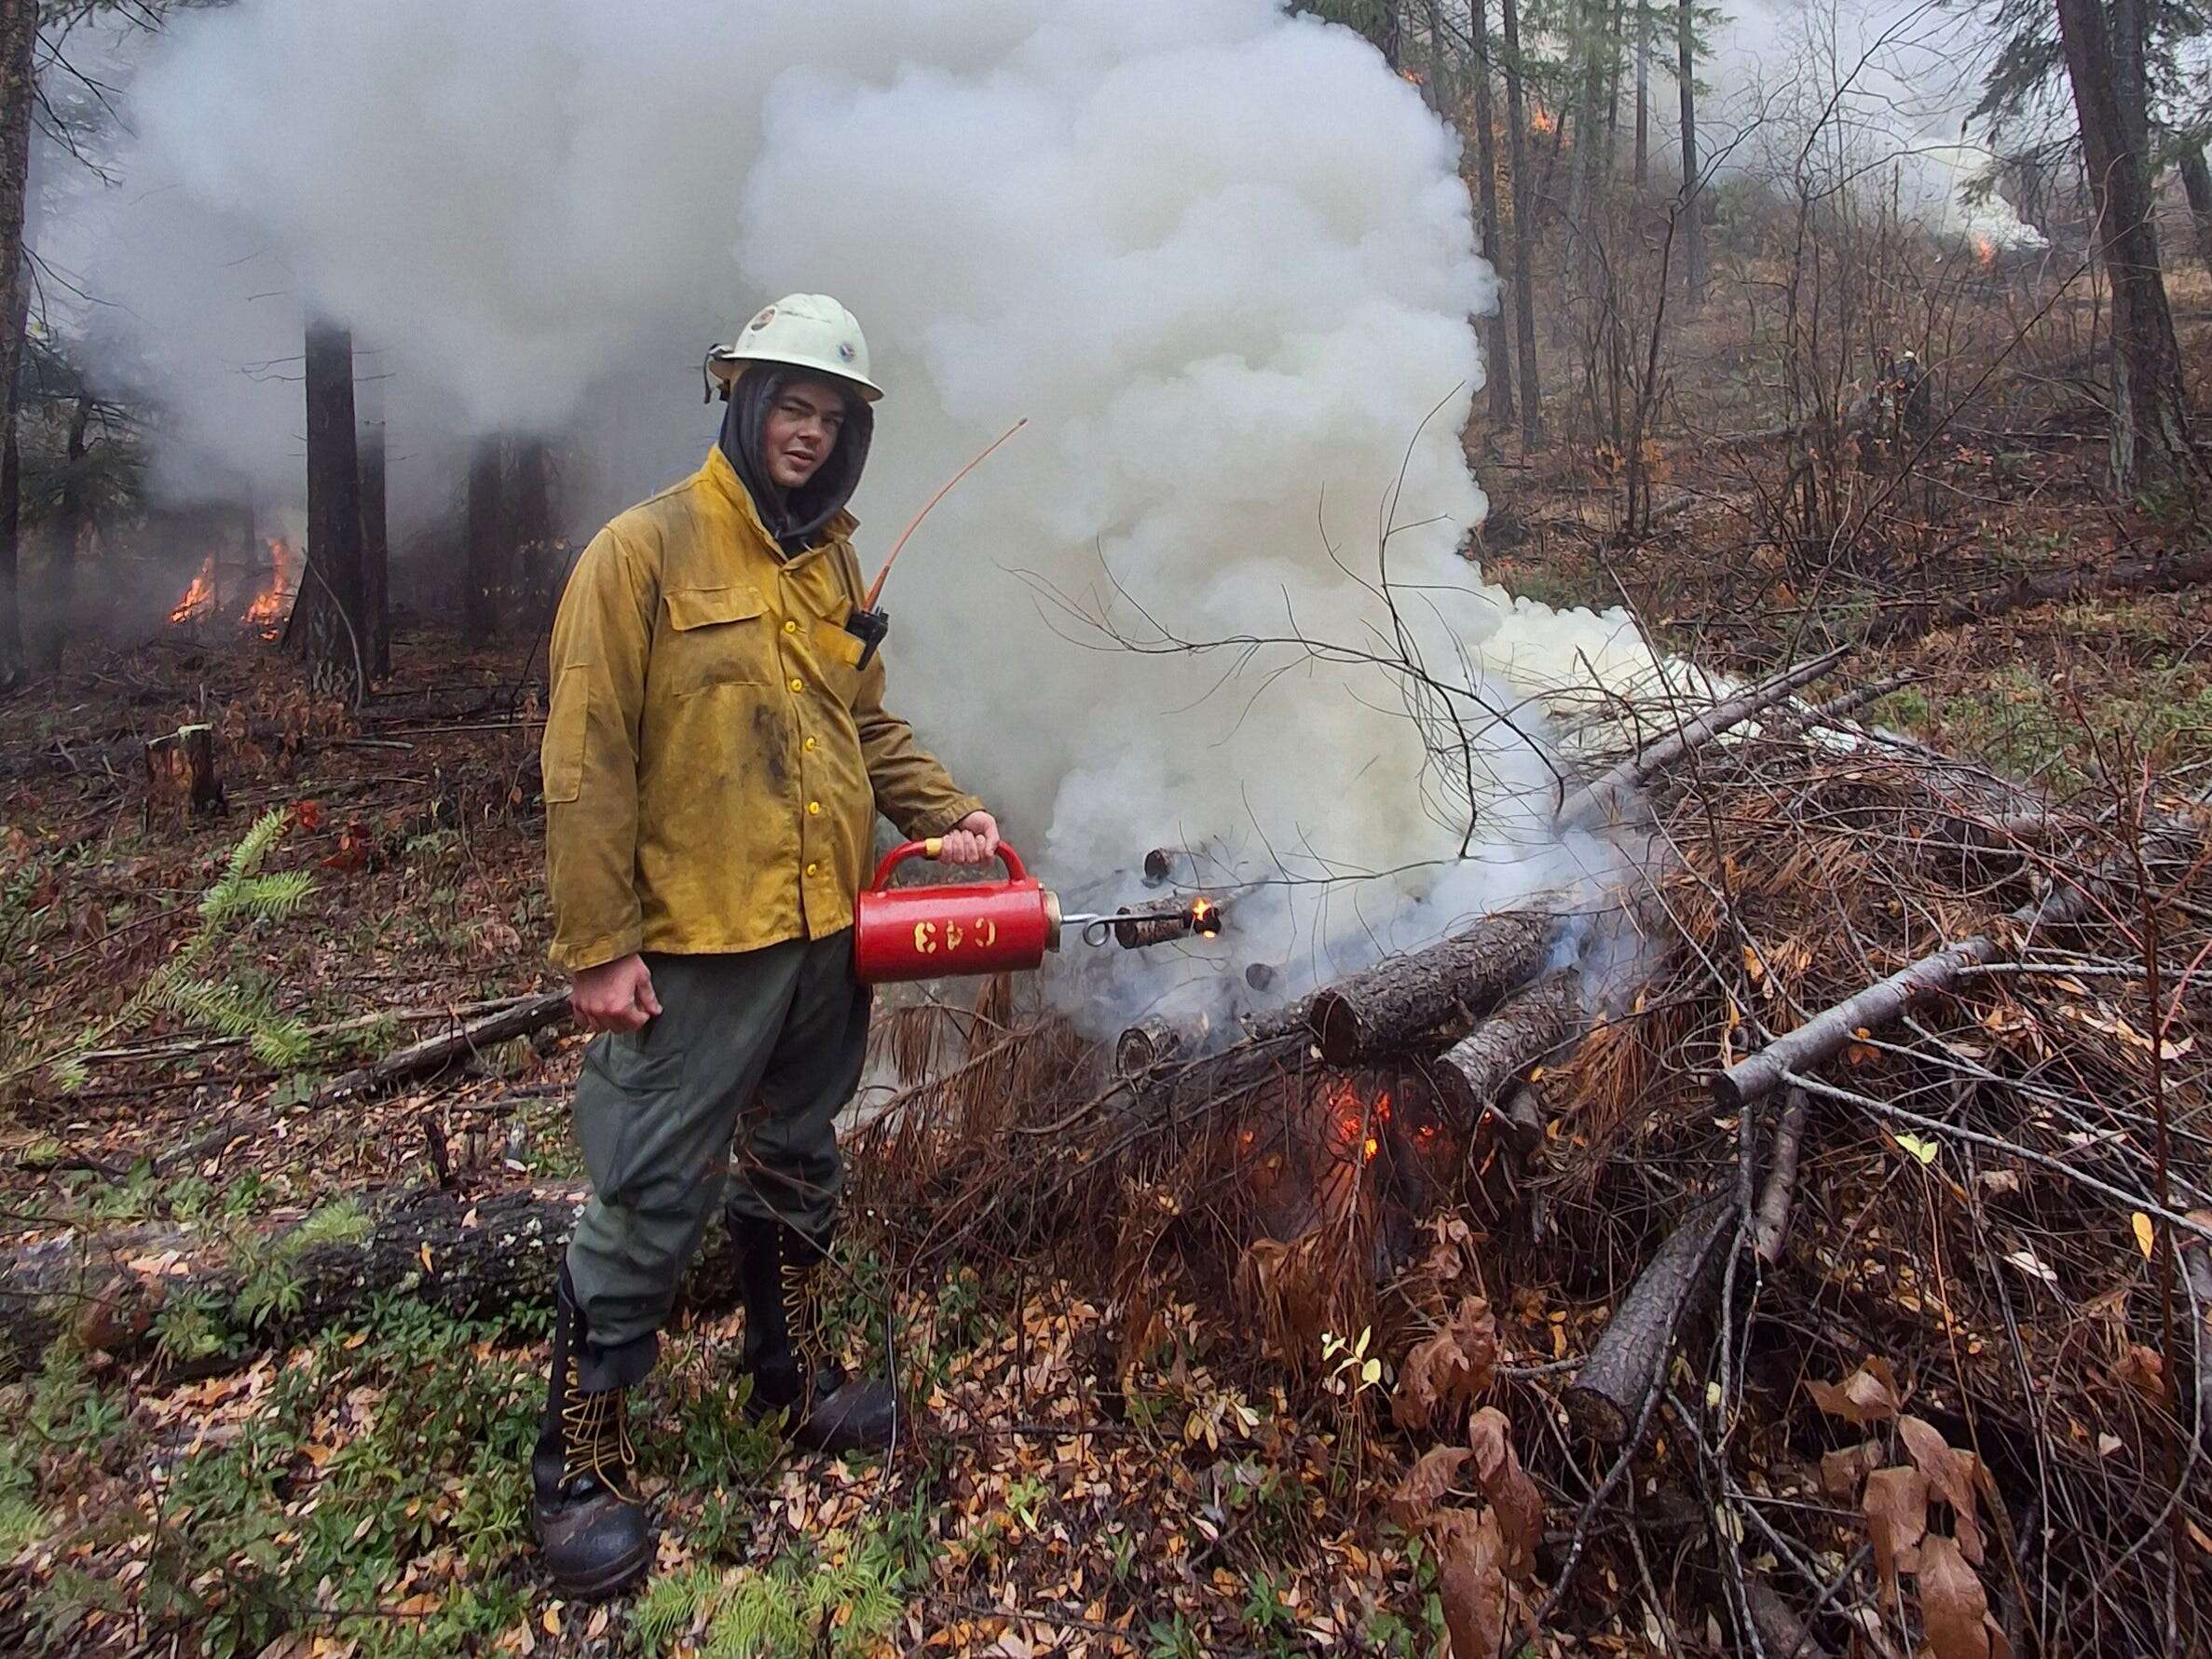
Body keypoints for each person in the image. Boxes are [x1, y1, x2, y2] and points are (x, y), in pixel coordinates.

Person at [529, 292, 1001, 1598]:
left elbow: (865, 726)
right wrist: (596, 946)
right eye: (787, 406)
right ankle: (577, 1462)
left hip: (818, 938)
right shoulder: (643, 552)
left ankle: (784, 1377)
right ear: (741, 404)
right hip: (694, 946)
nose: (805, 432)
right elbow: (583, 762)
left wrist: (945, 810)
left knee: (797, 1158)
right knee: (648, 1189)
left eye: (828, 416)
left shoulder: (826, 565)